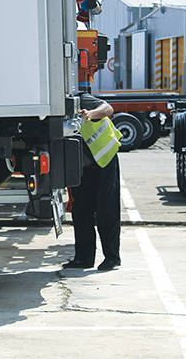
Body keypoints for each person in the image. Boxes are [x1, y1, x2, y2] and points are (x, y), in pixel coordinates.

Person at [63, 92, 121, 271]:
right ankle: (83, 258)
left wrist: (90, 114)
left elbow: (108, 108)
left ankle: (112, 258)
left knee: (107, 210)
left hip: (105, 159)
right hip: (83, 166)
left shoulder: (80, 98)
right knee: (81, 211)